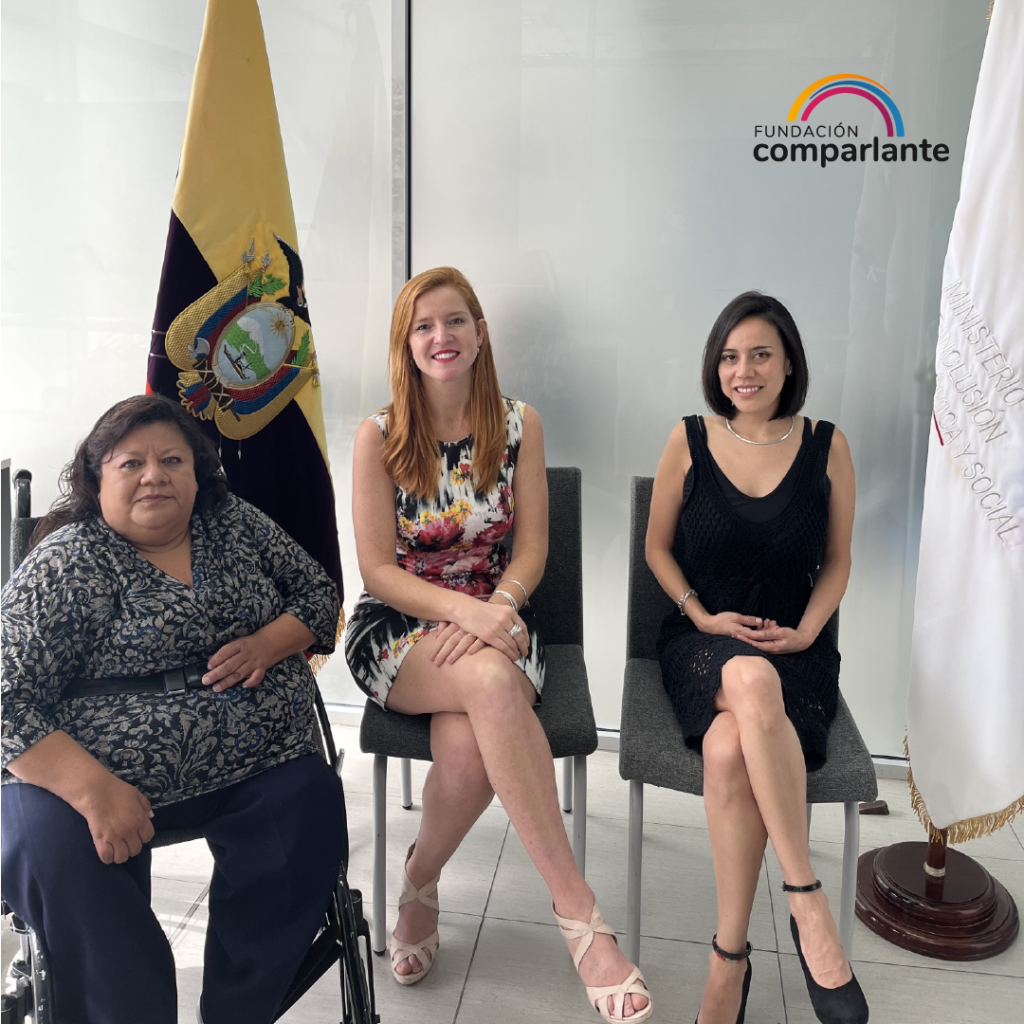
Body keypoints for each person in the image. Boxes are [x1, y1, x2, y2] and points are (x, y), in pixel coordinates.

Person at [346, 266, 652, 1021]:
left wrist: (498, 607)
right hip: (400, 627)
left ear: (480, 334)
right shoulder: (378, 436)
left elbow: (533, 550)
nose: (440, 337)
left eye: (455, 322)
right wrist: (466, 614)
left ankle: (418, 879)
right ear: (406, 345)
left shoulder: (521, 424)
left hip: (502, 613)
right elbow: (378, 570)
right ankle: (580, 917)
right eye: (423, 326)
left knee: (463, 749)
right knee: (487, 685)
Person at [0, 395, 347, 1024]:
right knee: (60, 860)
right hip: (82, 778)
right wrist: (96, 791)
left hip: (253, 760)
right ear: (96, 479)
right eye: (130, 463)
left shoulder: (232, 524)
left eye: (171, 460)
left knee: (308, 805)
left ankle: (239, 1011)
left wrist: (272, 640)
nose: (154, 474)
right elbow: (6, 698)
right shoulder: (66, 561)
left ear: (198, 472)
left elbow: (319, 597)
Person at [645, 293, 868, 1024]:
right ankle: (807, 902)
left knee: (729, 748)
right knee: (743, 675)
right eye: (731, 356)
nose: (744, 370)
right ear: (717, 366)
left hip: (795, 649)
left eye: (761, 354)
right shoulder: (688, 438)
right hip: (704, 641)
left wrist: (807, 630)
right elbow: (656, 548)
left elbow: (837, 562)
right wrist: (700, 614)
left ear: (789, 362)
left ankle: (727, 959)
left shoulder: (827, 444)